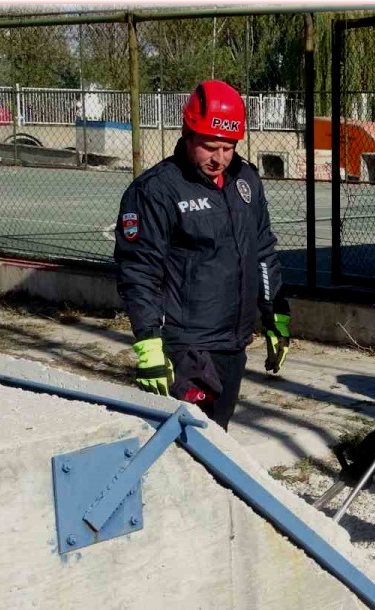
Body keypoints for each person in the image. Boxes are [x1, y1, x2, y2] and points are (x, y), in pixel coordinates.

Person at [114, 80, 291, 429]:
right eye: (210, 147)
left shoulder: (246, 181)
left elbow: (263, 251)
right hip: (187, 345)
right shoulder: (156, 190)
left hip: (234, 341)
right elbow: (139, 270)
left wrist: (275, 315)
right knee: (186, 441)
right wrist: (148, 342)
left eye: (228, 147)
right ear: (187, 133)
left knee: (217, 435)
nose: (219, 158)